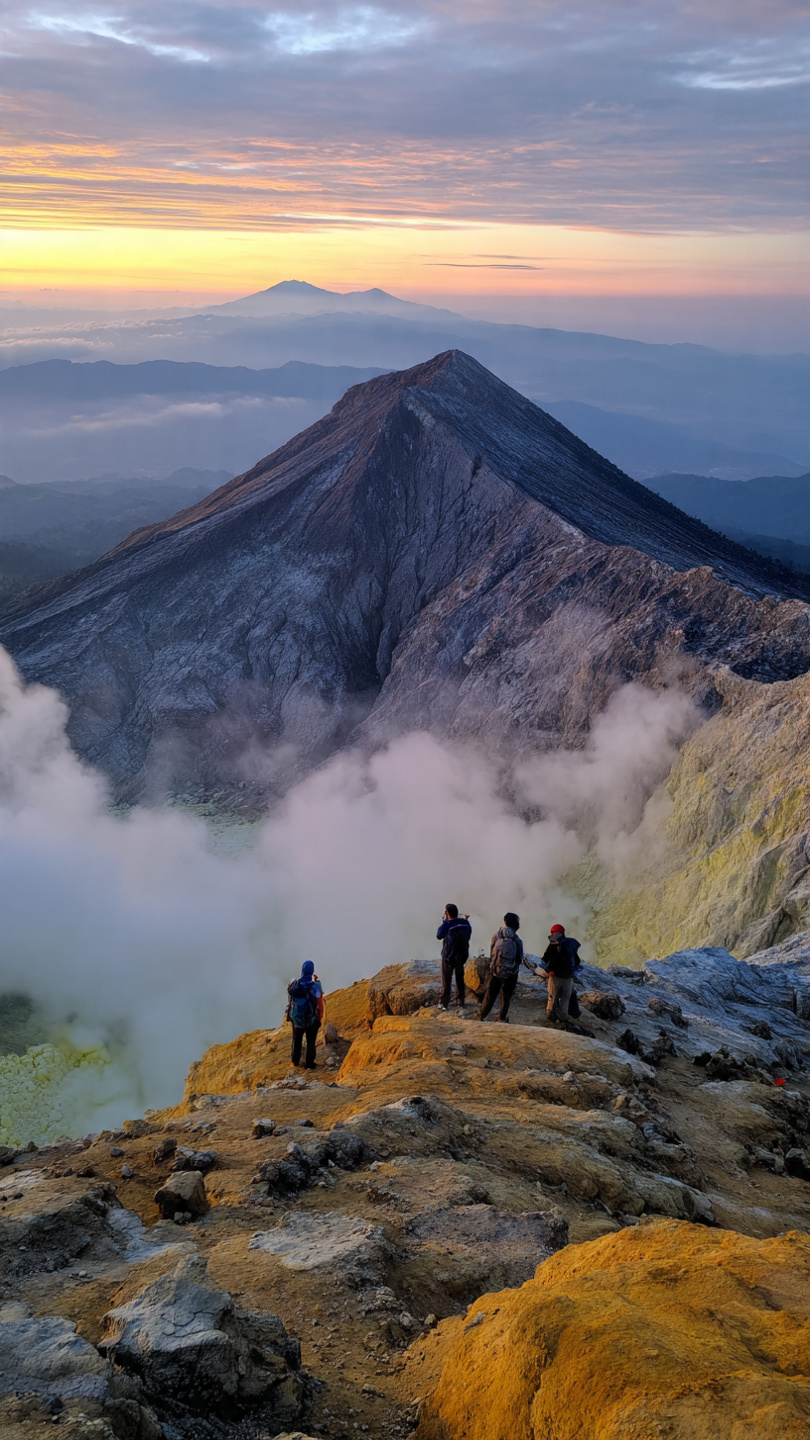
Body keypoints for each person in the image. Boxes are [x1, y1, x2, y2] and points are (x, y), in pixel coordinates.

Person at [479, 912, 524, 1023]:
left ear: (505, 922)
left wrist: (494, 965)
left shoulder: (497, 936)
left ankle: (482, 1016)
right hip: (511, 974)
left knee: (491, 995)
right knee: (506, 996)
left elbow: (491, 951)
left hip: (496, 971)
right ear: (517, 925)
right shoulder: (517, 940)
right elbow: (519, 958)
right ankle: (501, 1018)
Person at [534, 924, 580, 1025]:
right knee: (565, 999)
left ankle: (550, 1019)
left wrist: (547, 970)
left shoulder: (553, 945)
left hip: (555, 977)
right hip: (568, 978)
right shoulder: (571, 944)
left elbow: (546, 958)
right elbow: (577, 961)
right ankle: (563, 1019)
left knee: (552, 998)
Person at [286, 960, 325, 1069]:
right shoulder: (315, 986)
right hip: (310, 1018)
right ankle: (309, 1064)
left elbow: (290, 999)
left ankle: (295, 1062)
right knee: (311, 1041)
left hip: (297, 1018)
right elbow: (319, 1001)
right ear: (312, 971)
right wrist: (319, 1017)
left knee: (297, 1040)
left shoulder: (295, 984)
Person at [436, 903, 472, 1011]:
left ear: (447, 913)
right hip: (461, 955)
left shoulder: (447, 924)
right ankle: (460, 1002)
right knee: (459, 978)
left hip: (449, 956)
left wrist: (444, 922)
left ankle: (444, 1002)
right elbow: (468, 935)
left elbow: (439, 935)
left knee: (447, 980)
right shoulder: (465, 923)